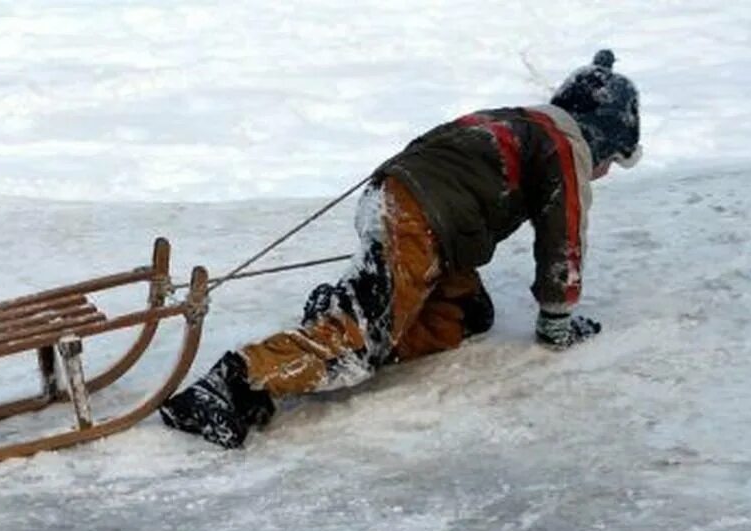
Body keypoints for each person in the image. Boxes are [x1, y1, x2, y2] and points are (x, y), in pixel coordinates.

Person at [160, 50, 642, 449]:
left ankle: (351, 304)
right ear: (600, 135)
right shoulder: (564, 143)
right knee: (360, 339)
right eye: (613, 160)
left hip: (400, 201)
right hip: (421, 219)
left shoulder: (517, 120)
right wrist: (556, 320)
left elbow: (430, 150)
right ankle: (232, 384)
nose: (603, 173)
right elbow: (565, 234)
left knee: (464, 315)